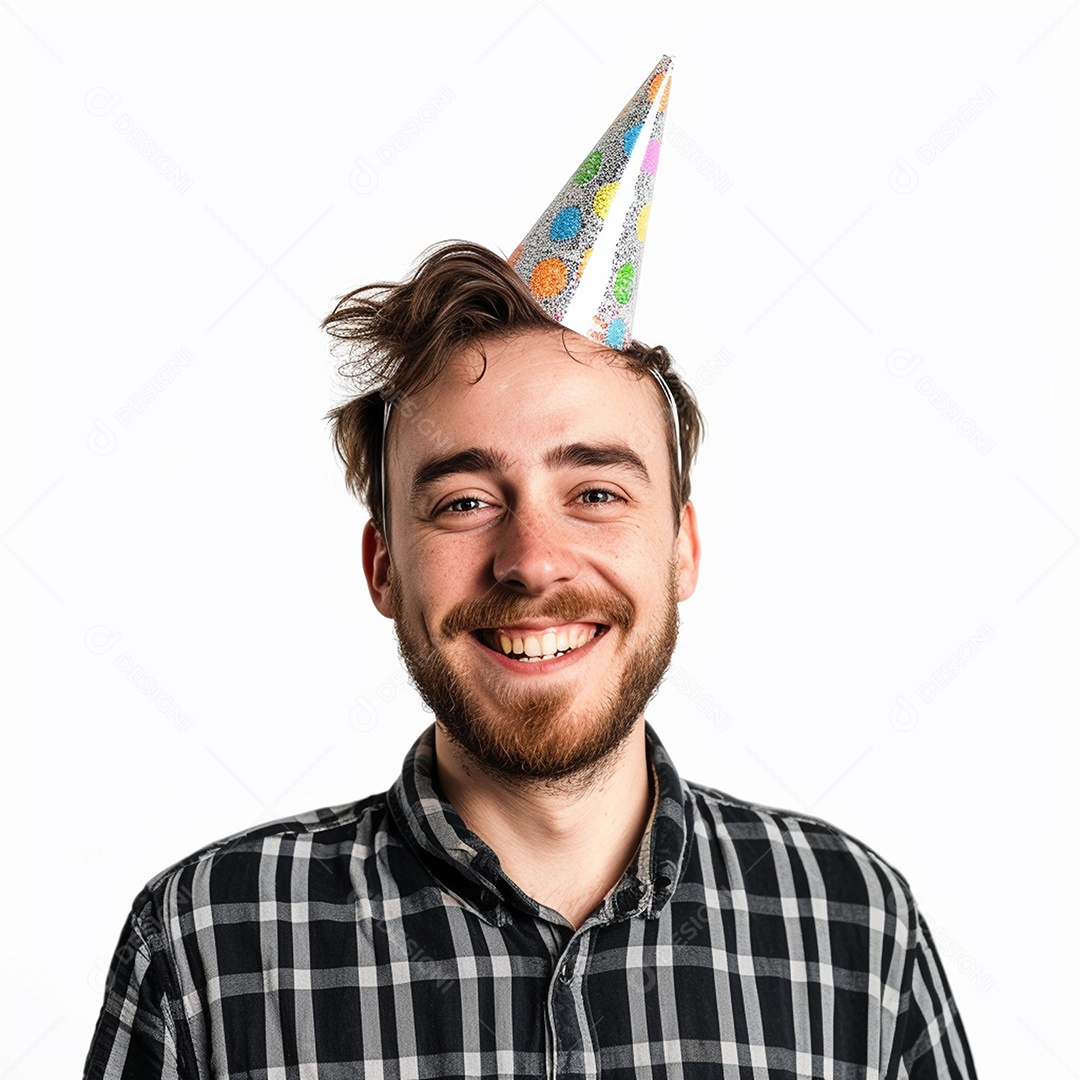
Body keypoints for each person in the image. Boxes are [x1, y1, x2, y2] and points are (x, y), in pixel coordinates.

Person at [84, 58, 977, 1079]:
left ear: (682, 545)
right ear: (383, 566)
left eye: (596, 493)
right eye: (465, 502)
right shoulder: (206, 950)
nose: (533, 560)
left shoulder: (856, 935)